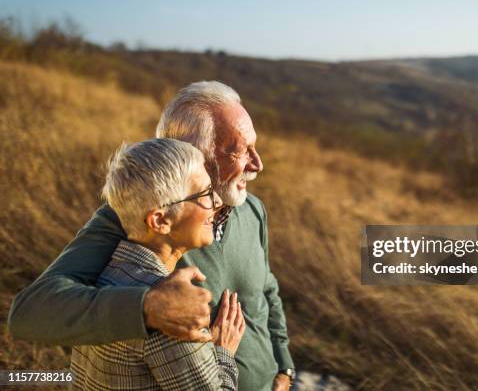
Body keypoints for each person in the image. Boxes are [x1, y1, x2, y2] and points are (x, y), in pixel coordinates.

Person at [8, 81, 295, 391]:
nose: (258, 164)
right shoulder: (128, 220)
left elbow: (266, 290)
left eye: (254, 147)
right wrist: (148, 307)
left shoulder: (252, 209)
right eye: (238, 150)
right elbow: (29, 313)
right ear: (188, 153)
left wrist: (284, 368)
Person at [71, 138, 244, 390]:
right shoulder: (171, 314)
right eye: (205, 193)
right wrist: (223, 352)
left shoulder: (101, 273)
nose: (217, 202)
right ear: (160, 220)